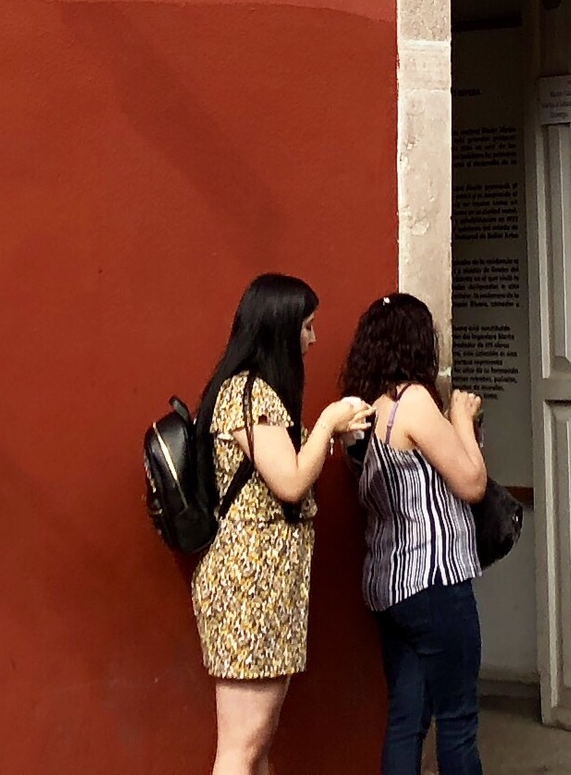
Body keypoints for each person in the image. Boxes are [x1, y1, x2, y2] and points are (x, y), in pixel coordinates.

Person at [190, 274, 368, 775]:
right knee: (242, 746)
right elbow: (289, 482)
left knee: (257, 744)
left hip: (265, 586)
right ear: (280, 329)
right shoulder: (249, 396)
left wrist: (331, 434)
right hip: (250, 585)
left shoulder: (253, 393)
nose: (312, 337)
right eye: (306, 326)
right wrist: (329, 422)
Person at [340, 294, 491, 775]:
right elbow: (471, 483)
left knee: (406, 721)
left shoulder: (369, 412)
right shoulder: (415, 402)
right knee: (457, 721)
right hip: (436, 580)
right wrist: (462, 420)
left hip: (390, 585)